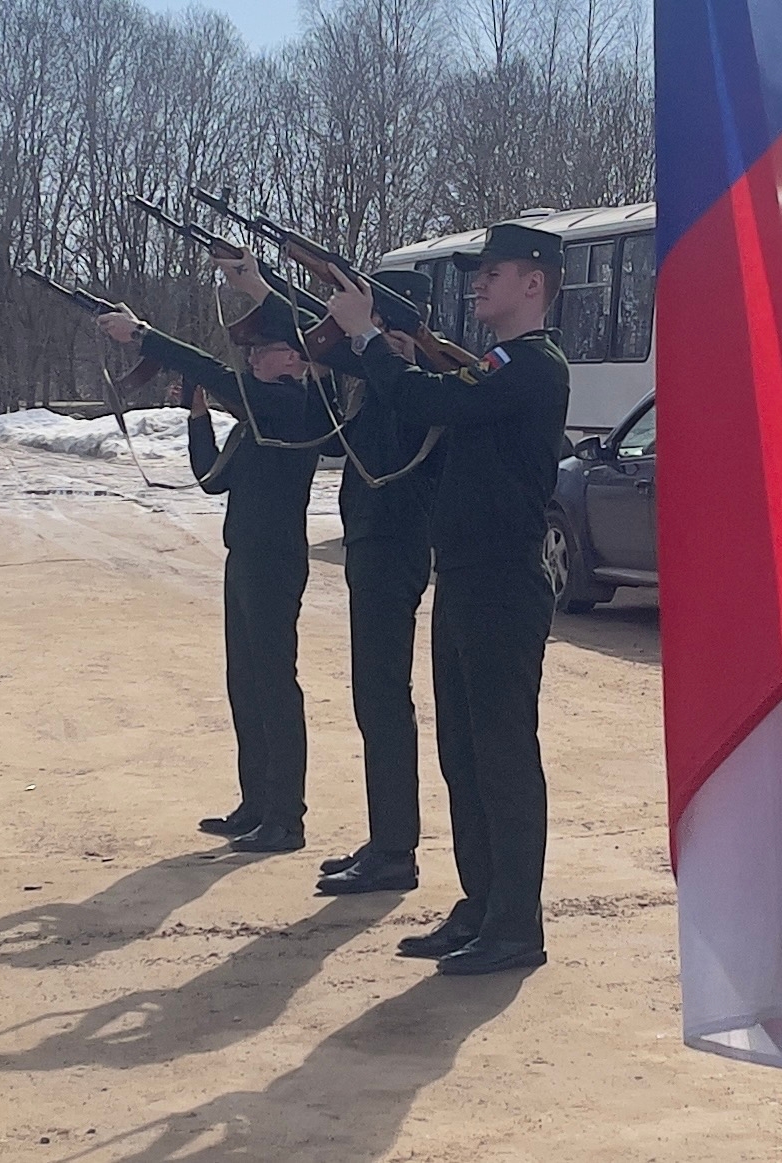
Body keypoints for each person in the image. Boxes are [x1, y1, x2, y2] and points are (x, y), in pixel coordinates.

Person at [327, 222, 569, 976]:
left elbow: (433, 401)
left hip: (504, 581)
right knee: (462, 752)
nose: (477, 283)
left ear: (534, 282)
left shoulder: (533, 364)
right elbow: (426, 400)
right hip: (464, 575)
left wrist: (367, 336)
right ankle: (482, 902)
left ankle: (516, 921)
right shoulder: (497, 362)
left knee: (501, 753)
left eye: (492, 272)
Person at [213, 253, 441, 896]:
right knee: (376, 702)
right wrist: (259, 287)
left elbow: (361, 363)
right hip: (372, 555)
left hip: (394, 553)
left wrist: (369, 340)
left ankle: (396, 851)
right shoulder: (378, 383)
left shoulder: (406, 384)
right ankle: (387, 842)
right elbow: (316, 337)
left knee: (385, 703)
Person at [97, 301, 327, 854]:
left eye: (272, 350)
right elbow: (211, 481)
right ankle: (257, 803)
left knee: (274, 685)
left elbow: (218, 373)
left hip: (274, 561)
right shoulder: (256, 418)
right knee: (244, 684)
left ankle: (285, 816)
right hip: (244, 557)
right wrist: (197, 417)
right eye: (262, 351)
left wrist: (147, 334)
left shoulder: (290, 406)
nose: (262, 358)